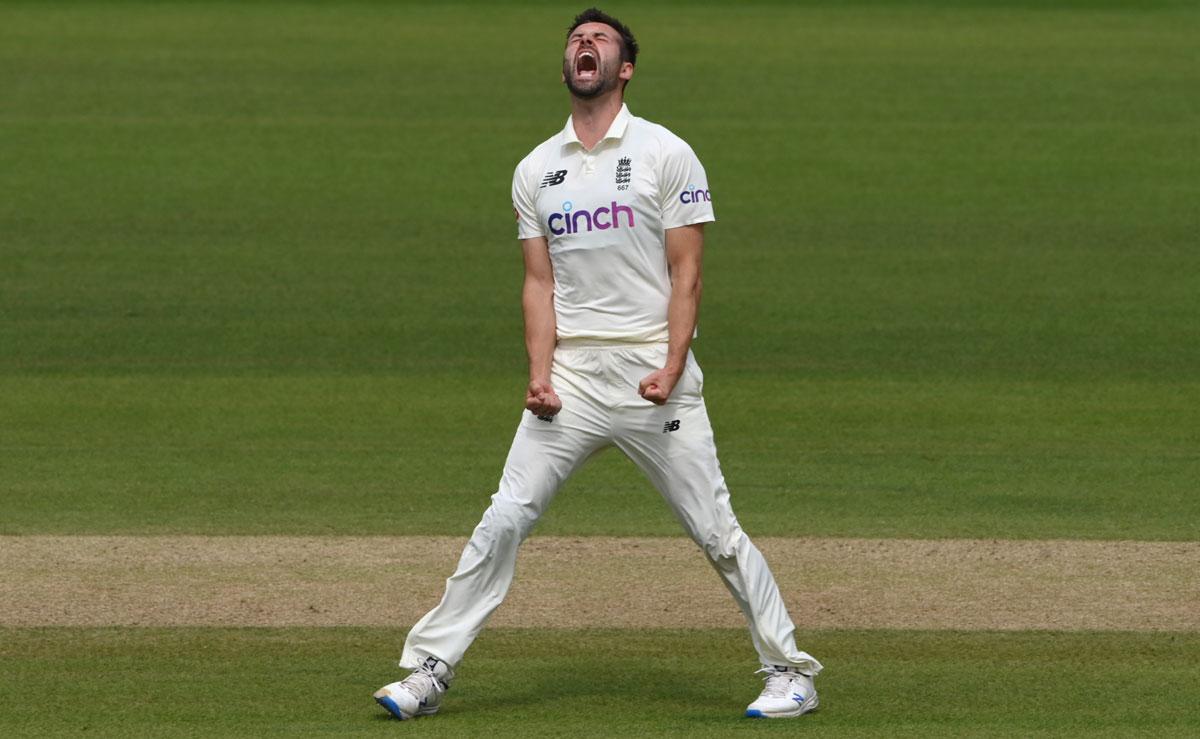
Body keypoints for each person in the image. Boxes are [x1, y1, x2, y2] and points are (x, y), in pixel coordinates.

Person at [374, 7, 823, 721]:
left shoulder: (664, 153)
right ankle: (429, 669)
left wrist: (673, 363)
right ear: (567, 65)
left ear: (626, 67)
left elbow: (688, 273)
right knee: (504, 518)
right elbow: (538, 282)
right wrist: (539, 371)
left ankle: (790, 670)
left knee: (715, 530)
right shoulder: (536, 168)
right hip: (574, 380)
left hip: (654, 377)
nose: (584, 46)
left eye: (600, 40)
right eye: (575, 40)